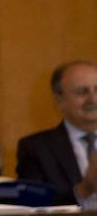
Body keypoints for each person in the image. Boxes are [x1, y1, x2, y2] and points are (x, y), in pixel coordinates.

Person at [17, 60, 97, 207]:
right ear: (59, 101)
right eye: (82, 92)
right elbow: (32, 205)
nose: (92, 99)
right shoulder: (36, 149)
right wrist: (84, 189)